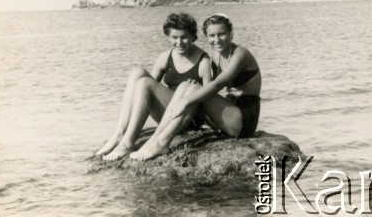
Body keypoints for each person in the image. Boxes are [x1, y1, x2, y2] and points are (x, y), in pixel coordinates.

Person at [130, 13, 261, 161]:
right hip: (227, 115)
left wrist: (185, 101)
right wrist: (188, 91)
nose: (217, 39)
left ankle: (162, 142)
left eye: (222, 34)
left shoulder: (240, 54)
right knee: (189, 86)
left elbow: (217, 85)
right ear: (206, 37)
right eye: (212, 36)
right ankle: (156, 140)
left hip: (243, 119)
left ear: (231, 33)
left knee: (193, 90)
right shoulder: (216, 55)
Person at [95, 13, 212, 161]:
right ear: (168, 37)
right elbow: (144, 90)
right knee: (137, 73)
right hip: (168, 113)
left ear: (193, 36)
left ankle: (128, 143)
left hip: (187, 118)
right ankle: (119, 133)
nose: (179, 42)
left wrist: (197, 89)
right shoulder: (165, 57)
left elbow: (209, 98)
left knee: (145, 83)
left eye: (184, 37)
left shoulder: (203, 60)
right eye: (174, 37)